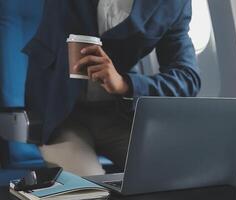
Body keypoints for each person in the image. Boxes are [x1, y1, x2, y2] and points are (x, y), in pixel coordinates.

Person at [23, 0, 201, 176]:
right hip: (61, 113)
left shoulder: (172, 4)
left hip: (119, 113)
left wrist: (125, 85)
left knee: (179, 175)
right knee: (88, 190)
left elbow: (188, 77)